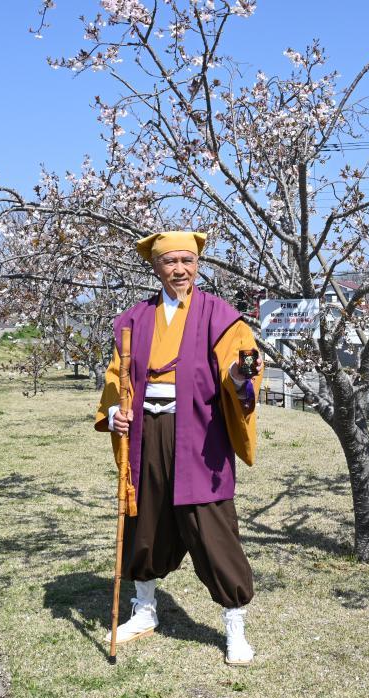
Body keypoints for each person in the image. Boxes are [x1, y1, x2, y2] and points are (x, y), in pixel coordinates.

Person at [94, 230, 262, 666]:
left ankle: (234, 624)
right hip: (147, 433)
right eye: (171, 262)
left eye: (188, 261)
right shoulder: (134, 320)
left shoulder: (219, 315)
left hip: (201, 434)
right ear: (156, 267)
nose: (180, 270)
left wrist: (243, 378)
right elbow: (116, 378)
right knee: (144, 519)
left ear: (198, 265)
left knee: (211, 524)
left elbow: (238, 369)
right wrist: (116, 413)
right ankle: (145, 608)